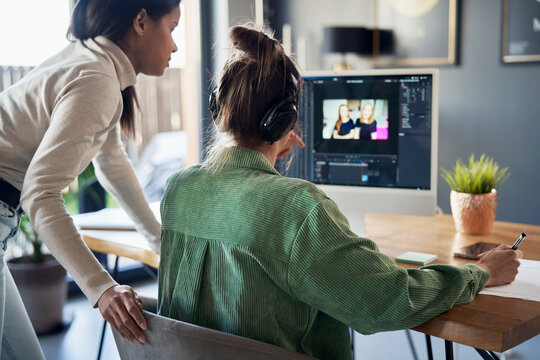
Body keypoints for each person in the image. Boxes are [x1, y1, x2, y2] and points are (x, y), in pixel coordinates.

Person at [157, 25, 522, 360]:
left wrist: (270, 155)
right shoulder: (297, 208)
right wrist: (480, 273)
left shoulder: (179, 188)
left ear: (218, 108)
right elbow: (387, 300)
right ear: (284, 121)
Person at [0, 0, 181, 355]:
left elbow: (111, 163)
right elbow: (40, 193)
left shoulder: (95, 63)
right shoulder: (98, 78)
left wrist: (160, 242)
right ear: (141, 22)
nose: (175, 45)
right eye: (172, 29)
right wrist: (101, 287)